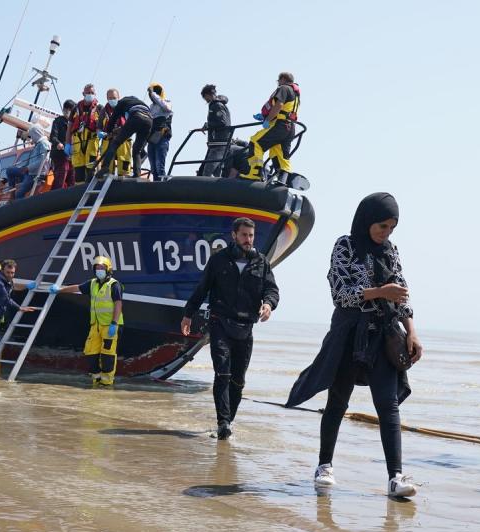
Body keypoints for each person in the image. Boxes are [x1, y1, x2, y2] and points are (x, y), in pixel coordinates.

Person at [285, 193, 423, 498]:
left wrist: (411, 331)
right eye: (382, 225)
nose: (386, 232)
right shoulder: (344, 246)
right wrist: (378, 292)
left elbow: (401, 294)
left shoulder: (391, 251)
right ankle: (324, 466)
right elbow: (340, 292)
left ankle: (395, 477)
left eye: (391, 227)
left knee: (388, 405)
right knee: (338, 400)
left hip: (384, 334)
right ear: (366, 219)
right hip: (349, 334)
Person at [181, 217, 280, 440]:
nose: (248, 240)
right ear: (234, 235)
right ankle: (222, 422)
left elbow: (272, 290)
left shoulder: (261, 262)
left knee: (238, 381)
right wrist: (188, 315)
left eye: (251, 236)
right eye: (244, 235)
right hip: (220, 324)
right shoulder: (219, 261)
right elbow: (202, 289)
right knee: (222, 374)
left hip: (246, 328)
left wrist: (268, 304)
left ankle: (228, 423)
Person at [49, 256, 124, 387]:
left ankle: (106, 384)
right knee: (90, 353)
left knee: (108, 356)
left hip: (110, 325)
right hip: (96, 325)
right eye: (97, 268)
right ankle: (96, 381)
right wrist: (59, 290)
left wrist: (114, 323)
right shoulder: (93, 283)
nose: (99, 270)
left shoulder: (114, 285)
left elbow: (118, 304)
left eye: (101, 268)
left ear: (108, 269)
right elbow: (77, 288)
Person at [240, 72, 300, 182]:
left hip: (280, 125)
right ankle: (283, 178)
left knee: (255, 142)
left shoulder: (284, 88)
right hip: (290, 127)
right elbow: (286, 109)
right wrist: (265, 116)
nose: (278, 83)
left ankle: (255, 173)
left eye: (278, 80)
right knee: (279, 152)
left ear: (283, 79)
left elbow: (279, 105)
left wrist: (267, 120)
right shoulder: (295, 94)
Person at [96, 95, 152, 179]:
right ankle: (137, 174)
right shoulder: (140, 103)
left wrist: (108, 132)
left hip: (136, 116)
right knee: (137, 150)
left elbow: (112, 120)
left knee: (115, 143)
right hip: (149, 121)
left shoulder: (121, 103)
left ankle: (104, 168)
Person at [6, 125, 51, 199]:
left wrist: (28, 168)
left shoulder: (44, 143)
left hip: (36, 174)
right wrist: (24, 167)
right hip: (30, 172)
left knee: (19, 194)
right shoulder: (38, 144)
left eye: (32, 135)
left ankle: (20, 206)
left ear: (36, 134)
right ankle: (12, 193)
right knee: (10, 170)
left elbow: (43, 160)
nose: (31, 137)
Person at [70, 84, 101, 184]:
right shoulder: (76, 108)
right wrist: (67, 144)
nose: (90, 94)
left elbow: (105, 126)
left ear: (95, 94)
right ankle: (78, 194)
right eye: (88, 93)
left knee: (91, 170)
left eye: (92, 93)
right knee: (78, 172)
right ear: (83, 93)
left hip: (92, 143)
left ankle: (91, 191)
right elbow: (69, 127)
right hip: (77, 144)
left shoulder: (100, 108)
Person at [98, 89, 133, 177]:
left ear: (118, 97)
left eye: (114, 98)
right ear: (107, 98)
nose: (112, 100)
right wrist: (100, 133)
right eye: (110, 98)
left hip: (123, 141)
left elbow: (131, 124)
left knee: (124, 166)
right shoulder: (103, 111)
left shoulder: (126, 109)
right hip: (108, 140)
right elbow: (98, 127)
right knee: (107, 167)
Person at [199, 84, 231, 177]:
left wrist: (209, 126)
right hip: (218, 143)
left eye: (205, 97)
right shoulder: (216, 105)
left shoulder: (217, 105)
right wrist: (207, 124)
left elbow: (222, 122)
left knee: (207, 172)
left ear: (208, 95)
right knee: (217, 172)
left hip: (219, 143)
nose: (205, 100)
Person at [146, 82, 173, 179]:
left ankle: (163, 187)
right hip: (152, 139)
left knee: (159, 167)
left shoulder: (167, 102)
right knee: (153, 168)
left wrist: (153, 94)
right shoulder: (151, 107)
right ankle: (155, 189)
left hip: (162, 138)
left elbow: (166, 108)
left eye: (152, 94)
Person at [50, 99, 76, 189]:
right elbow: (53, 136)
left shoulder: (75, 123)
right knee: (62, 175)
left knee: (72, 177)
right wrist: (58, 143)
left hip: (72, 155)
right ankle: (54, 195)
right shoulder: (58, 121)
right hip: (60, 154)